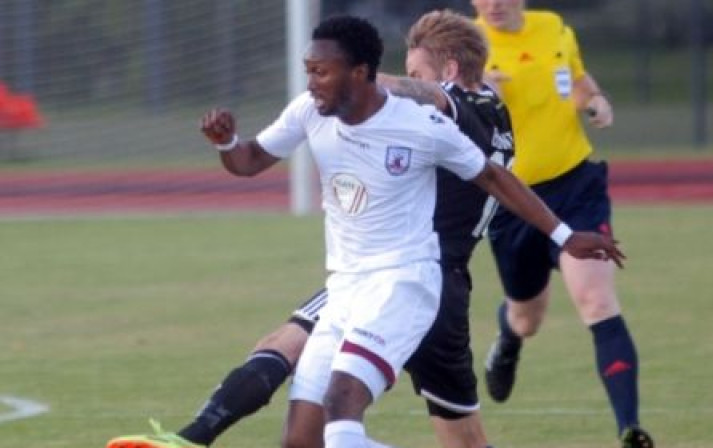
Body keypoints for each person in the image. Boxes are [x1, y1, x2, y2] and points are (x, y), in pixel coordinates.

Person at [106, 13, 622, 448]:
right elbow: (250, 159)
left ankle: (192, 438)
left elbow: (479, 158)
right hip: (352, 280)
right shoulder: (315, 109)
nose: (311, 82)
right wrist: (228, 142)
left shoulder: (449, 112)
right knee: (305, 434)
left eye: (322, 71)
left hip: (416, 280)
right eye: (308, 71)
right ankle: (192, 437)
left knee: (337, 403)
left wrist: (563, 235)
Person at [469, 2, 655, 448]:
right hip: (512, 199)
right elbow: (436, 104)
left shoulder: (552, 27)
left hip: (576, 188)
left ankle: (629, 428)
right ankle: (509, 338)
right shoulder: (466, 44)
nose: (492, 4)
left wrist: (595, 99)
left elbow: (575, 80)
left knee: (596, 299)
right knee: (527, 317)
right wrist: (475, 91)